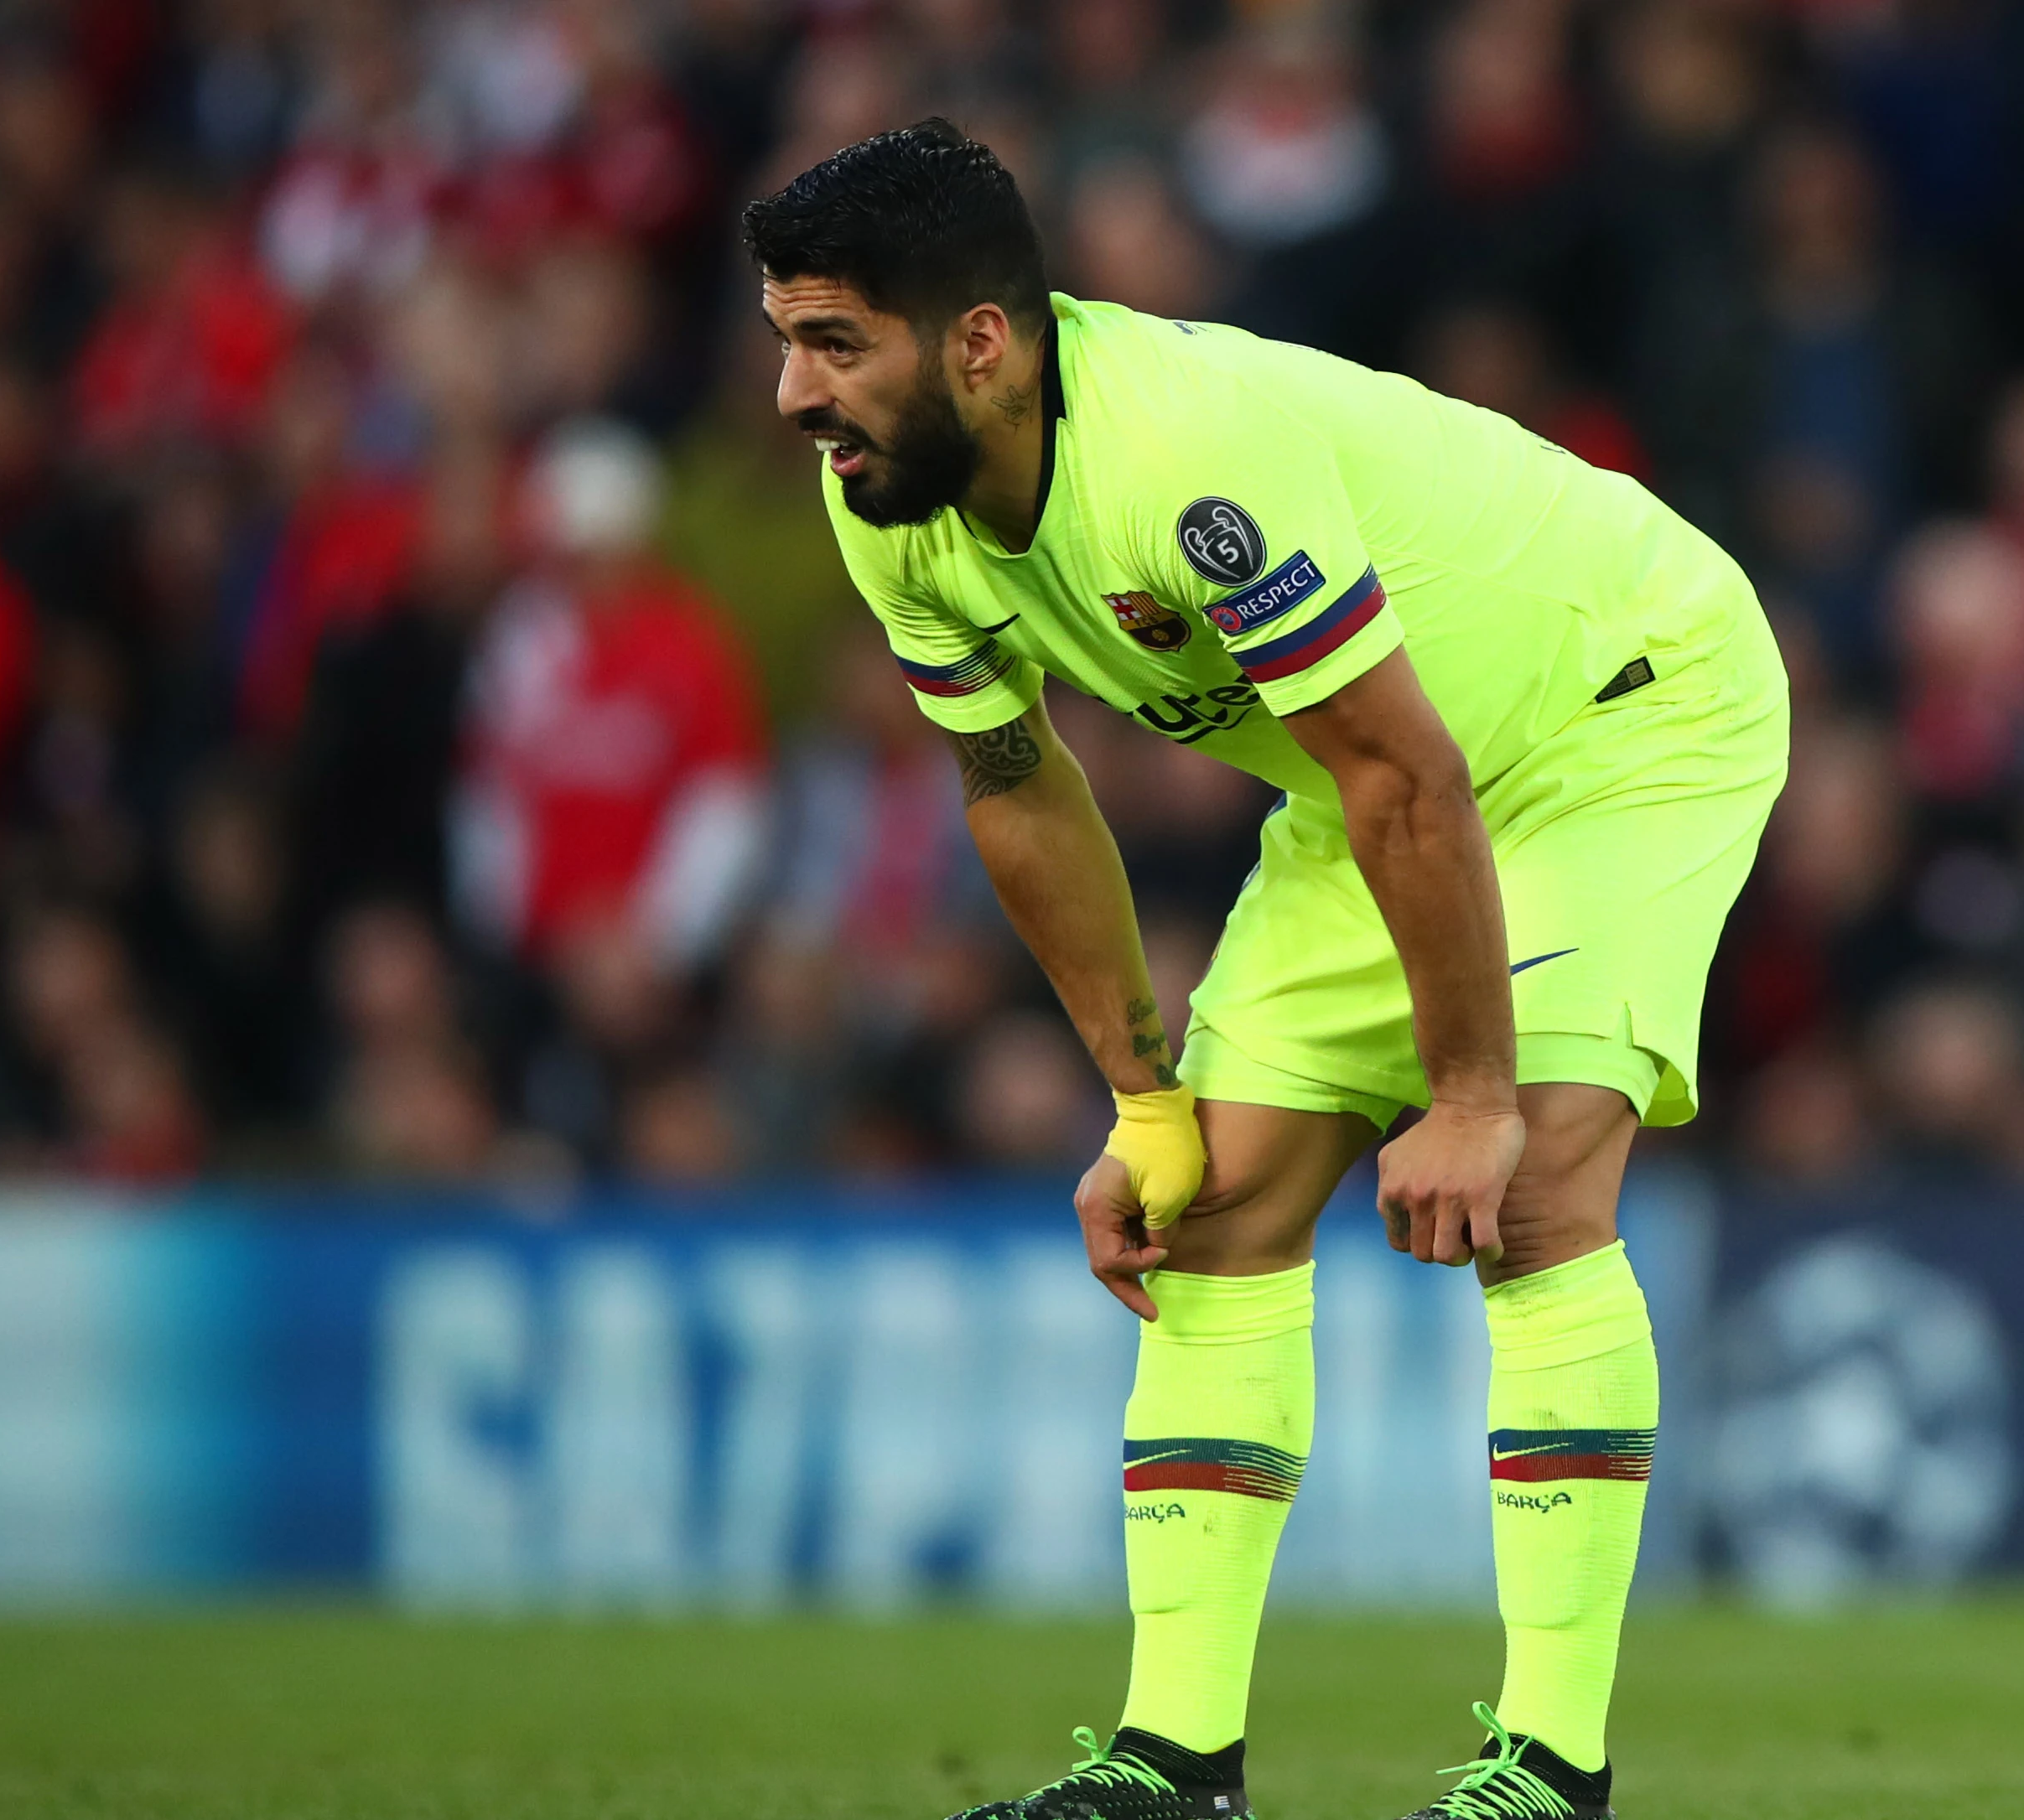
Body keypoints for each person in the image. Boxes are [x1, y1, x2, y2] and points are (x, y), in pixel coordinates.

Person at [746, 121, 1788, 1820]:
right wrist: (1140, 1094)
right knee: (1211, 1206)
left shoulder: (1185, 460)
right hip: (1381, 769)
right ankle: (1173, 1764)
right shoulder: (887, 497)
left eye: (834, 341)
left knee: (1530, 1178)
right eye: (787, 338)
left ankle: (1550, 1769)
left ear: (982, 345)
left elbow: (1409, 778)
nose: (795, 391)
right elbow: (1016, 786)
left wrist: (1464, 1095)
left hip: (1623, 700)